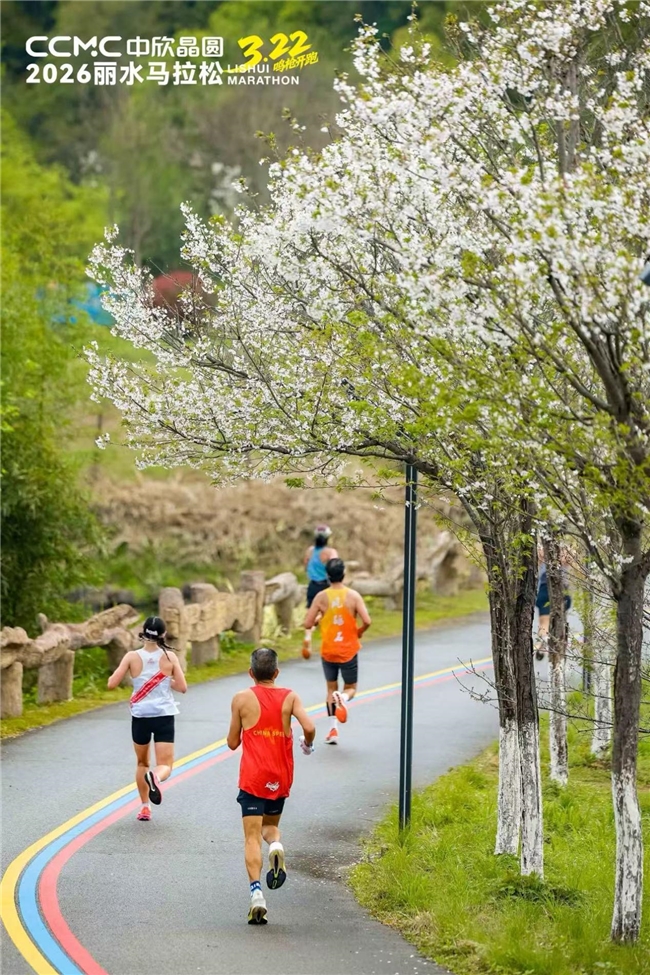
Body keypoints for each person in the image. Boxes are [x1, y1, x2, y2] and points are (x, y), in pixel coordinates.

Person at [228, 648, 316, 925]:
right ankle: (276, 845)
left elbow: (232, 742)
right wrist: (307, 744)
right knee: (269, 828)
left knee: (252, 837)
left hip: (253, 777)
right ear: (276, 672)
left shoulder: (241, 698)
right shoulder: (290, 696)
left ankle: (257, 894)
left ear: (251, 673)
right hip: (279, 776)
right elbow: (310, 727)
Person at [107, 616, 187, 821]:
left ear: (143, 632)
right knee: (165, 765)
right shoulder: (170, 657)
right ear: (163, 634)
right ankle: (156, 777)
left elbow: (112, 684)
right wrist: (165, 680)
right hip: (164, 715)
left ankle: (145, 807)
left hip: (140, 716)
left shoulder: (131, 657)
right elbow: (182, 687)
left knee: (142, 763)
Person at [303, 558, 371, 745]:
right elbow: (367, 620)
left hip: (329, 651)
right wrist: (359, 632)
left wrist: (319, 618)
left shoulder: (321, 597)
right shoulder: (353, 596)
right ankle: (344, 698)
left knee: (330, 689)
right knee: (351, 688)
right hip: (348, 650)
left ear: (327, 575)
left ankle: (333, 730)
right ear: (344, 574)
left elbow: (307, 623)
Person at [302, 525, 338, 659]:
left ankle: (308, 637)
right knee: (328, 614)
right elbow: (336, 568)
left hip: (312, 585)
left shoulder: (310, 551)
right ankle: (329, 644)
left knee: (310, 612)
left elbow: (306, 566)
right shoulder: (330, 552)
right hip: (326, 586)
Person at [534, 547, 572, 660]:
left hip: (544, 589)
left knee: (544, 623)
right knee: (560, 620)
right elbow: (569, 559)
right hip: (561, 590)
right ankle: (557, 649)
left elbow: (538, 556)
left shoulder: (542, 554)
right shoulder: (564, 554)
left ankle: (543, 641)